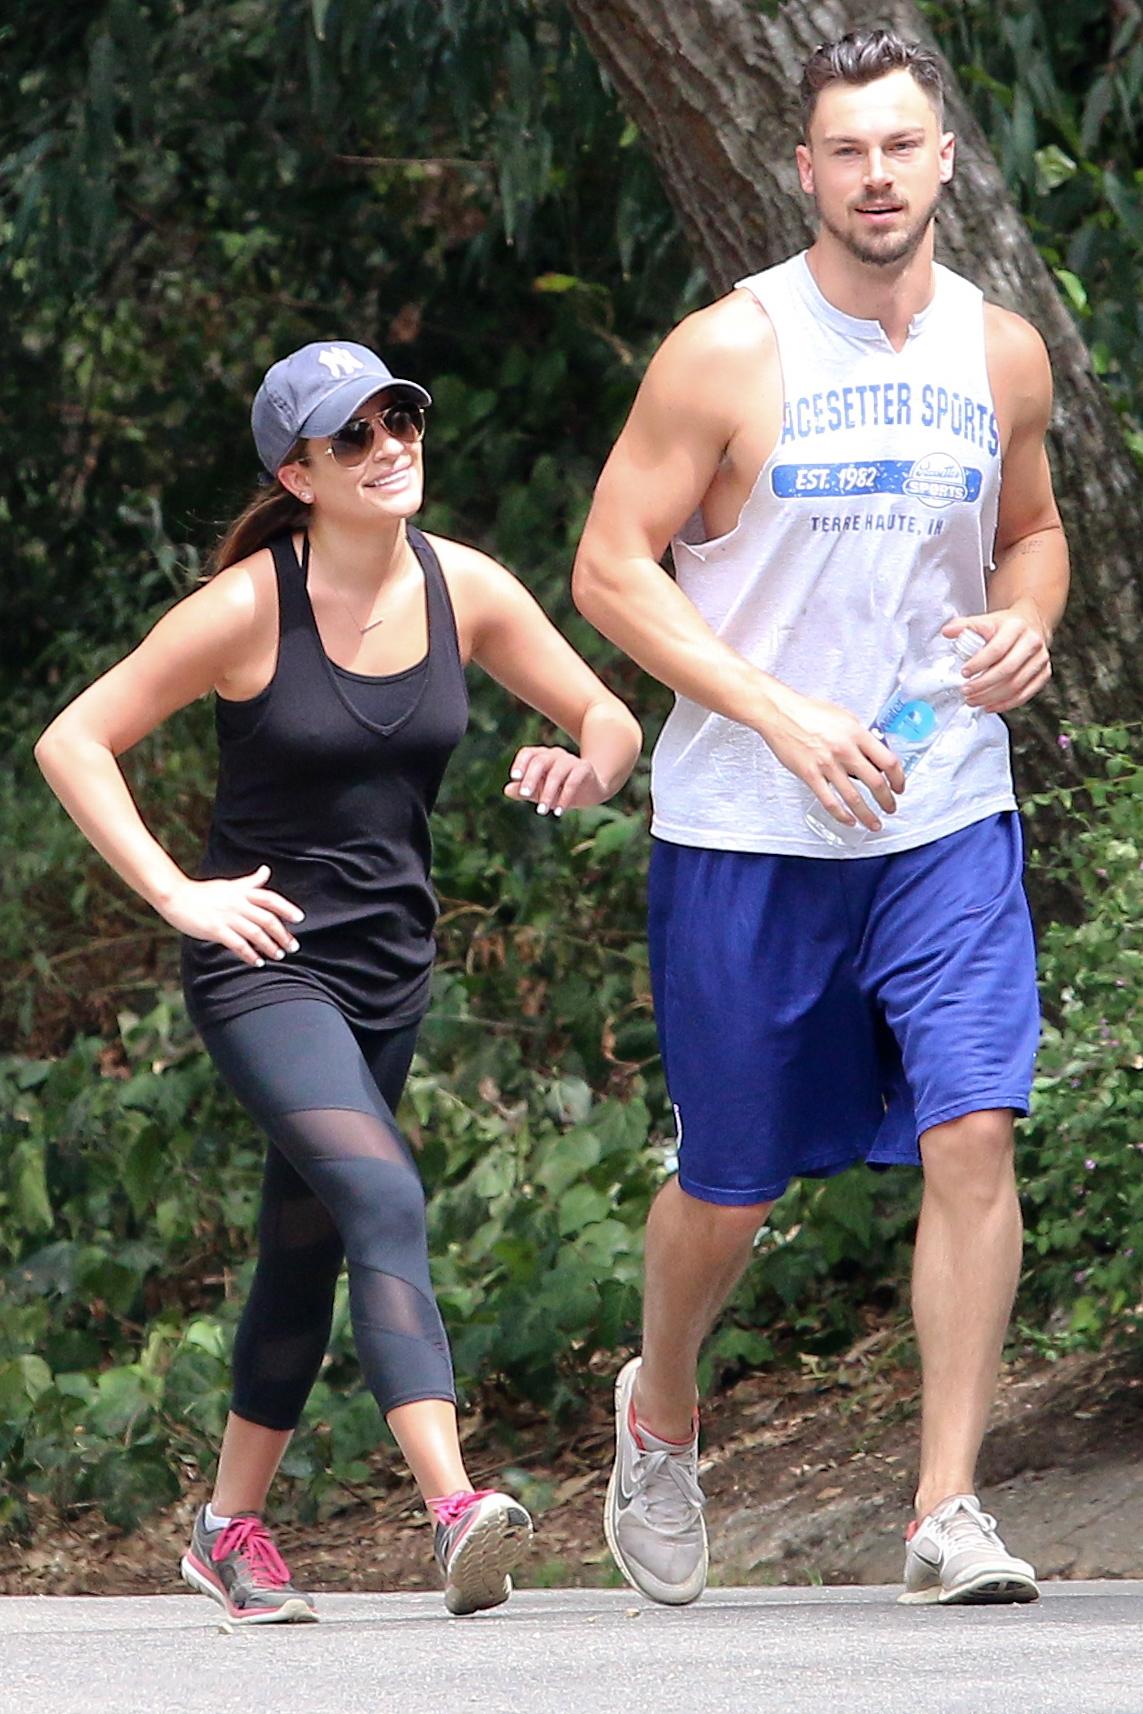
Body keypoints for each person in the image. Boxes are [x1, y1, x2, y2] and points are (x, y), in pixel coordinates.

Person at [573, 30, 1069, 1608]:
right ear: (802, 170)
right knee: (729, 1182)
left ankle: (942, 1509)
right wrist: (772, 710)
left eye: (900, 147)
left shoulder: (997, 353)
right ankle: (659, 1404)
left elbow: (1033, 533)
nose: (874, 176)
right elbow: (607, 567)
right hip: (747, 831)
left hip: (937, 812)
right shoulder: (724, 352)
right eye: (844, 150)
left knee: (973, 1126)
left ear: (941, 162)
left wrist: (1027, 623)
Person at [35, 339, 642, 1624]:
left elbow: (609, 717)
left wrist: (594, 758)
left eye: (399, 420)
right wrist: (176, 893)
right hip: (263, 967)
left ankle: (226, 1527)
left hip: (389, 973)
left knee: (302, 1248)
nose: (390, 448)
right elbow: (73, 738)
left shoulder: (463, 587)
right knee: (380, 1191)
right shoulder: (250, 606)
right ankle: (456, 1506)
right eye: (353, 436)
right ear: (295, 470)